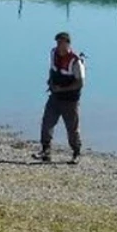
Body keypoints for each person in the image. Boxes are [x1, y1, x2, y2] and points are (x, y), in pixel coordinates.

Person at [33, 31, 85, 165]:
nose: (59, 45)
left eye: (61, 42)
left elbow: (80, 83)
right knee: (46, 123)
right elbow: (52, 69)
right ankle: (46, 151)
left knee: (72, 129)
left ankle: (76, 153)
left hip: (70, 100)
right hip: (55, 97)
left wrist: (62, 89)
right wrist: (50, 82)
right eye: (57, 42)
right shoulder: (53, 53)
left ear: (68, 43)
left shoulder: (75, 61)